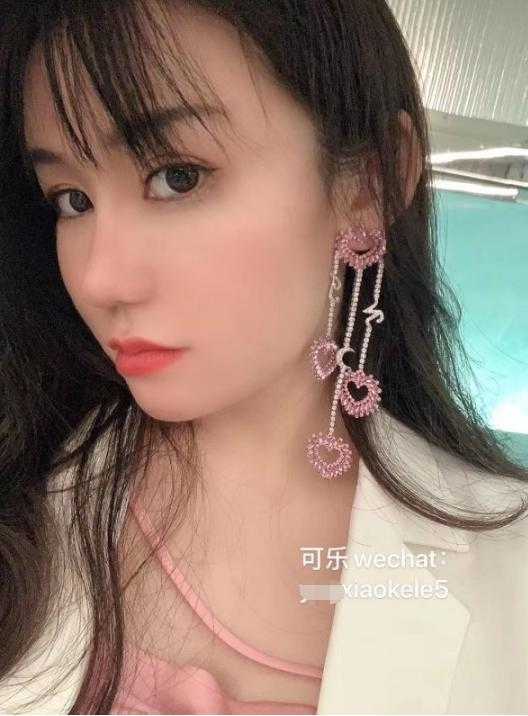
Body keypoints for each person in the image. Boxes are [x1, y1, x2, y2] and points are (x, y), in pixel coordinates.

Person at [0, 1, 527, 714]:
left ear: (370, 182)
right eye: (71, 200)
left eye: (177, 177)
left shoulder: (511, 571)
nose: (100, 280)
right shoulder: (25, 497)